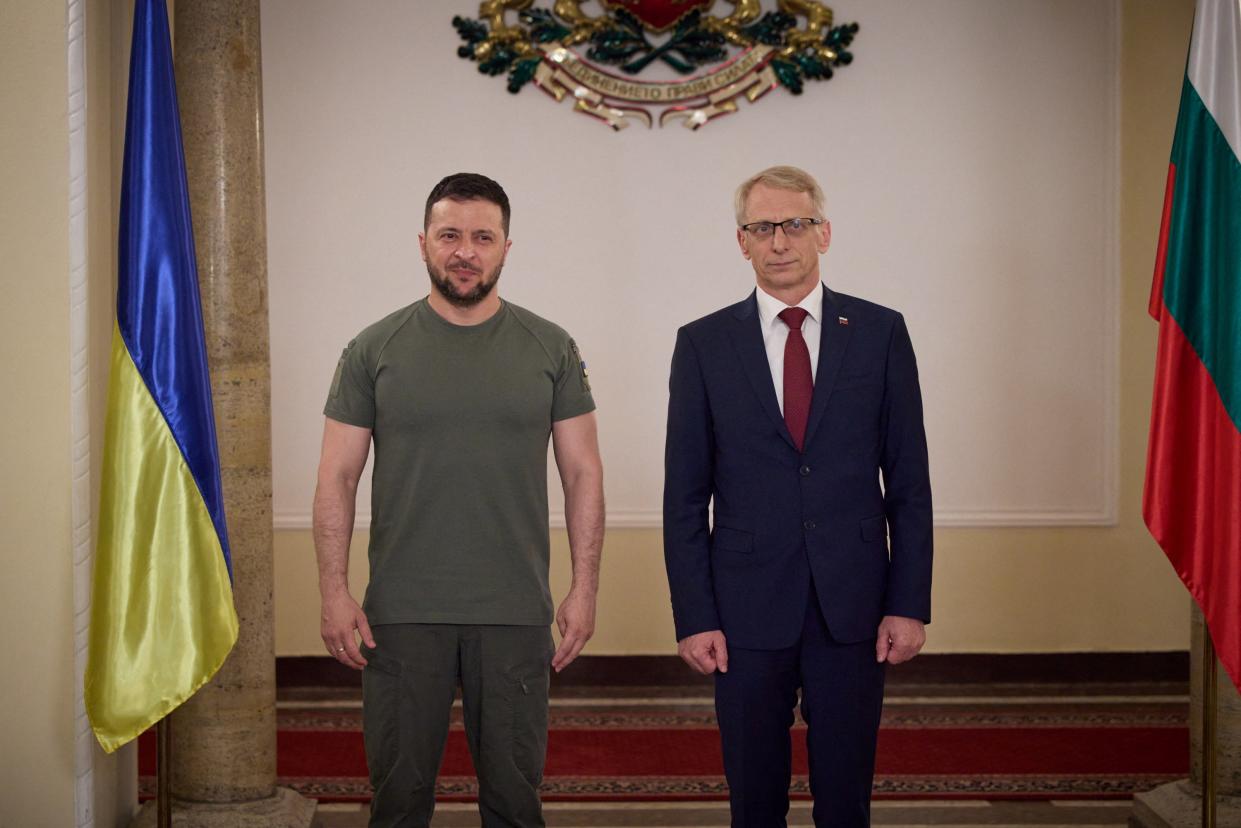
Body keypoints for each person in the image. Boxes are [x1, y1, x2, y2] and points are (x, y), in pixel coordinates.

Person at [313, 172, 604, 828]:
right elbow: (336, 478)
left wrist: (584, 587)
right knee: (397, 803)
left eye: (482, 236)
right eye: (449, 235)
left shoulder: (550, 347)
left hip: (513, 611)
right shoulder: (371, 349)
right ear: (423, 243)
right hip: (400, 612)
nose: (465, 250)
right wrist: (334, 590)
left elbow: (583, 473)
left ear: (505, 247)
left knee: (513, 802)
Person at [663, 165, 932, 827]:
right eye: (762, 227)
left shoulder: (879, 333)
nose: (779, 240)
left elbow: (909, 484)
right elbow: (683, 496)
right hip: (744, 610)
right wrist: (694, 615)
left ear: (823, 233)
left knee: (844, 802)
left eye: (795, 224)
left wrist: (907, 603)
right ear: (741, 242)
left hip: (855, 607)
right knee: (754, 802)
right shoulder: (702, 344)